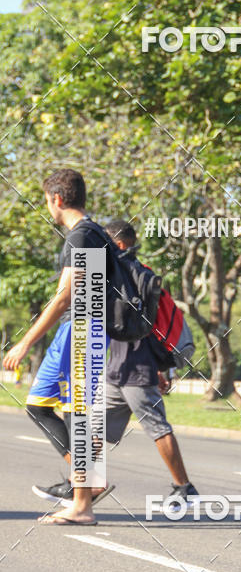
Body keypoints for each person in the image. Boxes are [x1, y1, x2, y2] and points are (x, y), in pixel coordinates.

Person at [3, 169, 110, 525]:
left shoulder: (82, 237)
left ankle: (82, 504)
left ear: (57, 199)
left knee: (76, 413)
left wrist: (24, 343)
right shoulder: (91, 233)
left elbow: (66, 297)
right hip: (80, 329)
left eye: (47, 201)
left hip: (84, 329)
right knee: (39, 406)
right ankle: (89, 481)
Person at [100, 220, 198, 504]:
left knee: (158, 427)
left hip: (137, 369)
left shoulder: (131, 275)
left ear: (118, 245)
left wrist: (158, 368)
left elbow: (152, 327)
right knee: (93, 428)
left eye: (105, 243)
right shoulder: (140, 274)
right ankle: (82, 484)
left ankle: (184, 487)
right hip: (118, 368)